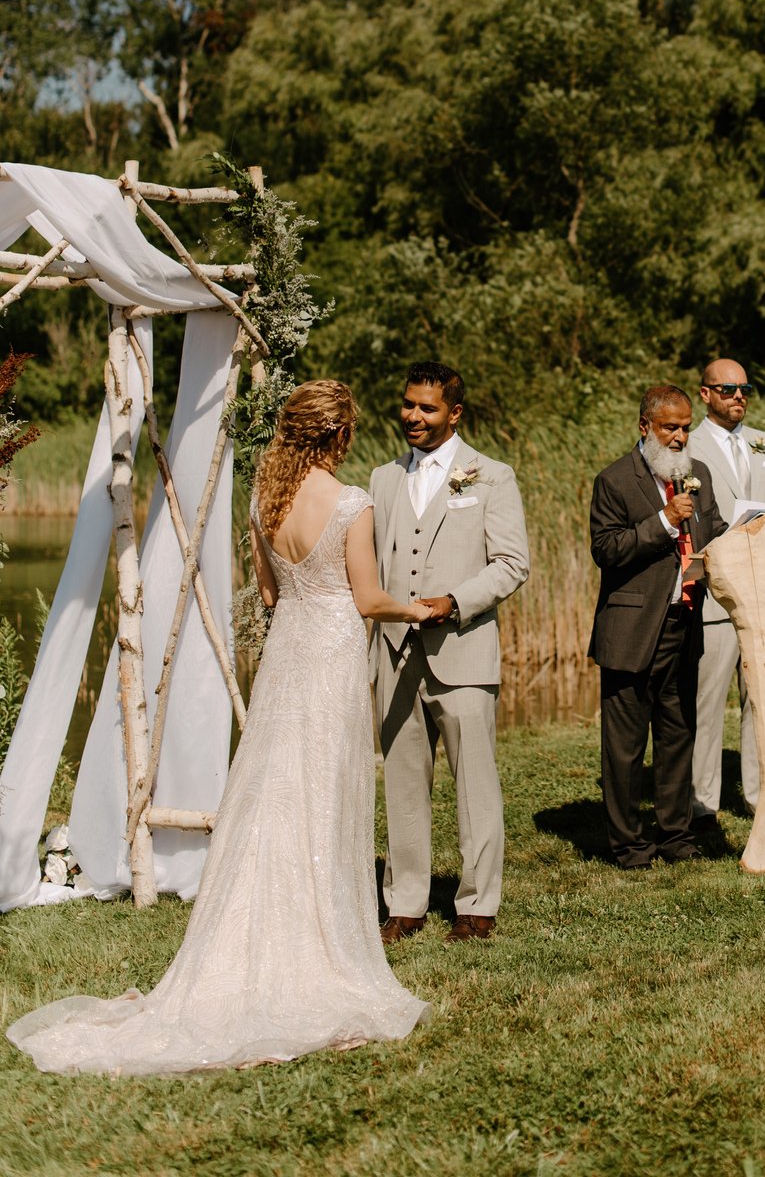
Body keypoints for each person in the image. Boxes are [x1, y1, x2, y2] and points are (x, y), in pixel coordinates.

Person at [9, 383, 443, 1075]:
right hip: (329, 657)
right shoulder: (353, 502)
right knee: (322, 794)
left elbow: (271, 595)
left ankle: (265, 929)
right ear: (337, 436)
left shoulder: (261, 501)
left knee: (274, 792)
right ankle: (318, 947)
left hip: (286, 656)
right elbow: (366, 599)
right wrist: (415, 611)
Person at [369, 360, 530, 944]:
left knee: (475, 784)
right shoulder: (382, 479)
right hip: (394, 654)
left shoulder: (491, 476)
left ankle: (477, 905)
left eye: (427, 408)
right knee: (403, 780)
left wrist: (455, 601)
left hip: (462, 649)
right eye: (408, 404)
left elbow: (513, 564)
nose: (413, 416)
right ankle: (405, 903)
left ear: (454, 414)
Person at [587, 385, 727, 868]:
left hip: (684, 624)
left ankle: (676, 837)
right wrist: (665, 522)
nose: (680, 437)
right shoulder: (614, 480)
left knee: (677, 735)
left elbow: (716, 531)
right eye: (671, 427)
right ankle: (629, 846)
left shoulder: (699, 475)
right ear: (645, 426)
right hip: (631, 629)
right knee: (624, 749)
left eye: (686, 427)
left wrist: (756, 528)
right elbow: (606, 550)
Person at [689, 358, 765, 819]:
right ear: (706, 393)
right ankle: (702, 801)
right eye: (727, 388)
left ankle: (757, 793)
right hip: (713, 591)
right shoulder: (688, 442)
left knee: (758, 695)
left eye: (746, 388)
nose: (738, 396)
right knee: (708, 699)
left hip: (763, 589)